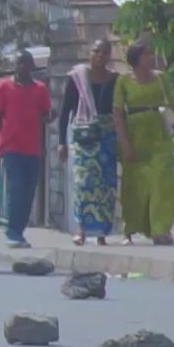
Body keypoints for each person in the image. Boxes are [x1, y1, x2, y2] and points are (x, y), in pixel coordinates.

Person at [113, 42, 174, 245]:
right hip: (134, 134)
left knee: (162, 181)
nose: (151, 57)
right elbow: (117, 113)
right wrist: (124, 143)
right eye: (146, 55)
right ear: (135, 59)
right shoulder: (123, 81)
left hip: (157, 133)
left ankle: (160, 230)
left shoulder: (161, 78)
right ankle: (131, 228)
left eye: (151, 54)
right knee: (135, 184)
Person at [59, 40, 119, 245]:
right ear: (89, 53)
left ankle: (102, 232)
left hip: (108, 137)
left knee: (107, 185)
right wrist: (61, 142)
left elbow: (118, 111)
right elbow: (65, 110)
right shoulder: (77, 78)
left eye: (104, 52)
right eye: (96, 51)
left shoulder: (114, 79)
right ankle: (81, 229)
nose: (100, 55)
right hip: (84, 137)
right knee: (83, 183)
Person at [0, 49, 53, 248]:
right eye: (19, 63)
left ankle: (19, 229)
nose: (23, 67)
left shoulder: (40, 89)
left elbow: (45, 116)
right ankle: (13, 230)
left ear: (32, 66)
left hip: (32, 148)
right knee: (16, 188)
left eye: (26, 63)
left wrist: (51, 118)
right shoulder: (4, 87)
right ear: (14, 65)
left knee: (28, 191)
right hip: (10, 146)